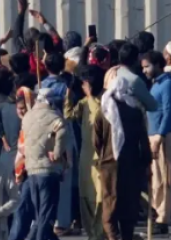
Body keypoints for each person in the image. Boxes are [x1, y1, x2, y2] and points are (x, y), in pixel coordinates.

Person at [94, 77, 151, 240]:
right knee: (128, 204)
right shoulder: (135, 111)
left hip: (109, 165)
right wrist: (146, 163)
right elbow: (143, 140)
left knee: (110, 203)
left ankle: (113, 237)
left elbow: (96, 141)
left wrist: (103, 157)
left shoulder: (104, 111)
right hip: (132, 165)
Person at [17, 87, 67, 240]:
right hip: (48, 170)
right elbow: (62, 131)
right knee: (46, 214)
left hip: (31, 170)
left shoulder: (27, 117)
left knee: (39, 213)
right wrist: (57, 153)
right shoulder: (55, 117)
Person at [141, 51, 171, 234]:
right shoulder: (156, 85)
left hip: (161, 136)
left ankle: (162, 219)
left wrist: (160, 137)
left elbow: (169, 112)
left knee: (163, 178)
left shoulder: (167, 85)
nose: (145, 71)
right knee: (155, 179)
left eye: (147, 66)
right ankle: (158, 213)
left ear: (158, 65)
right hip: (153, 134)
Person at [62, 67, 103, 240]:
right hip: (86, 156)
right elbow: (68, 114)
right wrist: (69, 92)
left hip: (101, 156)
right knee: (85, 194)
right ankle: (91, 233)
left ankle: (100, 233)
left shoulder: (104, 102)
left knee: (100, 196)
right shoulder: (84, 103)